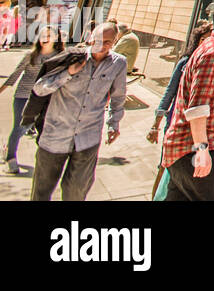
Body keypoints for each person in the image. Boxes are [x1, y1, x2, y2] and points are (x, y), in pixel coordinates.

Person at [29, 22, 127, 201]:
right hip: (55, 136)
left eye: (107, 41)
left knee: (76, 192)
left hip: (87, 138)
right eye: (98, 39)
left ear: (115, 42)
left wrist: (114, 123)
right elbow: (39, 88)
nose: (102, 45)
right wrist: (68, 73)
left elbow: (118, 96)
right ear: (90, 37)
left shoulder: (118, 63)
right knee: (41, 192)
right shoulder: (71, 58)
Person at [162, 0, 214, 201]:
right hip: (190, 149)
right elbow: (198, 106)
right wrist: (201, 148)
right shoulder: (213, 53)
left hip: (189, 149)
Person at [147, 20, 213, 199]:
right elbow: (169, 92)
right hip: (177, 125)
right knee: (165, 168)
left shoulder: (212, 63)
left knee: (186, 174)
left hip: (198, 131)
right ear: (198, 40)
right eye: (204, 39)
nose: (207, 44)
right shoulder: (185, 62)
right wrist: (156, 124)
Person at [2, 25, 62, 173]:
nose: (44, 39)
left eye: (48, 35)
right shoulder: (32, 55)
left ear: (56, 38)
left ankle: (8, 147)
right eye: (42, 35)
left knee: (29, 127)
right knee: (18, 126)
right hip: (23, 95)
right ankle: (11, 158)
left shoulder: (59, 56)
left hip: (44, 97)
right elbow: (16, 73)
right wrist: (2, 89)